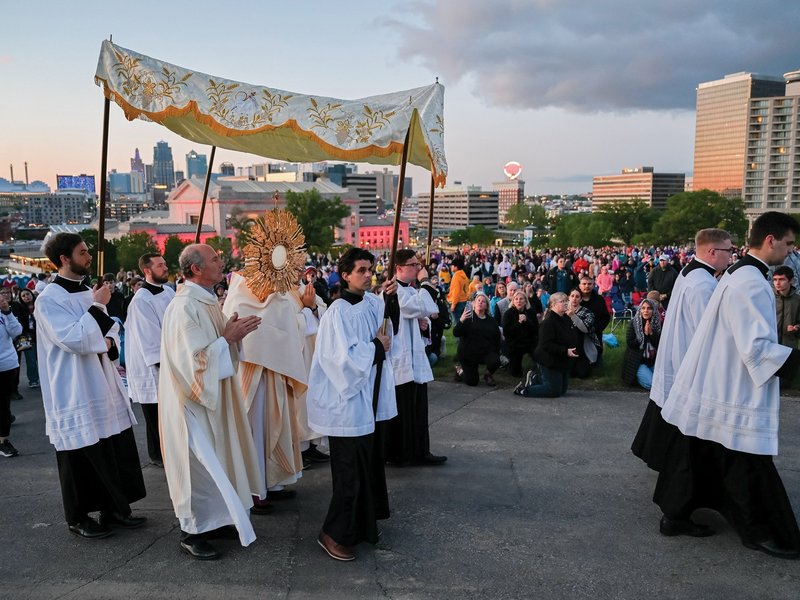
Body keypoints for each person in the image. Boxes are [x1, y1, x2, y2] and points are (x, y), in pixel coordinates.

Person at [658, 212, 800, 559]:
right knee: (745, 462)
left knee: (709, 454)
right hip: (730, 385)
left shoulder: (740, 272)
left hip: (717, 380)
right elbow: (756, 348)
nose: (792, 252)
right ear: (770, 240)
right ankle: (757, 530)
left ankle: (677, 516)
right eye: (789, 244)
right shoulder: (749, 280)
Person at [35, 233, 146, 539]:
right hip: (73, 385)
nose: (88, 256)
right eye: (83, 252)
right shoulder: (48, 299)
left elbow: (111, 327)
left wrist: (109, 338)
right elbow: (73, 338)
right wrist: (97, 310)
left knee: (110, 445)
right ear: (64, 259)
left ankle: (113, 509)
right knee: (79, 454)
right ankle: (78, 516)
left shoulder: (88, 292)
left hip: (102, 380)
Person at [159, 244, 265, 560]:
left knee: (218, 461)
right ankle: (191, 531)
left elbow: (217, 348)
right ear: (195, 269)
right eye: (215, 259)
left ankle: (217, 520)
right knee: (198, 467)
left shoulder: (206, 302)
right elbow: (191, 363)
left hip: (213, 398)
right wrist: (228, 338)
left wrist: (231, 335)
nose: (222, 263)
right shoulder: (183, 308)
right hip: (190, 404)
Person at [306, 248, 398, 561]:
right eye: (361, 270)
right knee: (349, 474)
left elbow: (387, 328)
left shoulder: (371, 302)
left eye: (370, 268)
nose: (368, 274)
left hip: (366, 401)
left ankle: (360, 526)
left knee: (367, 469)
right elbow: (340, 361)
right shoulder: (337, 313)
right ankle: (332, 533)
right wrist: (375, 346)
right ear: (345, 275)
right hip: (346, 405)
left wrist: (392, 301)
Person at [223, 267, 325, 512]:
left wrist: (306, 310)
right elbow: (278, 327)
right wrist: (305, 312)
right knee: (256, 432)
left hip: (276, 372)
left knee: (277, 428)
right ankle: (255, 490)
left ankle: (272, 482)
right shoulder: (241, 295)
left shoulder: (281, 295)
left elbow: (294, 325)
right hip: (254, 375)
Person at [632, 228, 733, 472]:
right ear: (712, 252)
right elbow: (706, 330)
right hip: (688, 354)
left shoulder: (690, 272)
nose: (731, 256)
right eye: (728, 251)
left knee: (670, 409)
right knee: (684, 418)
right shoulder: (703, 284)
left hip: (676, 350)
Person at [384, 250, 447, 467]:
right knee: (403, 409)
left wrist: (424, 324)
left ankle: (420, 450)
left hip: (414, 357)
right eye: (413, 265)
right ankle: (401, 453)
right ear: (399, 268)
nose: (418, 268)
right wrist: (426, 281)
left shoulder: (409, 291)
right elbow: (424, 306)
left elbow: (426, 313)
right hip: (400, 359)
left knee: (419, 408)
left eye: (418, 264)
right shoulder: (394, 292)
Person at [124, 253, 175, 467]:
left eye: (165, 263)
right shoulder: (141, 301)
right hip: (152, 367)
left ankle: (163, 451)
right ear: (147, 271)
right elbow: (151, 340)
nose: (165, 267)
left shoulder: (168, 291)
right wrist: (169, 368)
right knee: (156, 416)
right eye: (160, 265)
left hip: (171, 356)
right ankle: (160, 455)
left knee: (167, 414)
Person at [514, 293, 579, 398]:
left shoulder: (566, 318)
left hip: (562, 360)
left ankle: (535, 378)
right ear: (553, 305)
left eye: (566, 301)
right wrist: (565, 351)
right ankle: (523, 390)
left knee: (562, 390)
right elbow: (546, 345)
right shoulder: (548, 322)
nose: (566, 303)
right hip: (549, 359)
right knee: (553, 391)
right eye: (562, 301)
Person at [453, 292, 502, 386]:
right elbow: (456, 333)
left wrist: (496, 352)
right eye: (478, 300)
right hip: (468, 353)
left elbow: (496, 338)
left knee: (495, 360)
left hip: (484, 352)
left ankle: (488, 375)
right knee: (472, 382)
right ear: (474, 304)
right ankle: (460, 370)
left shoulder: (491, 321)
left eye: (483, 301)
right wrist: (461, 320)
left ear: (486, 306)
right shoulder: (467, 317)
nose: (480, 302)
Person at [0, 290, 23, 457]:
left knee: (3, 405)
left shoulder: (4, 313)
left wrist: (7, 311)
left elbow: (16, 332)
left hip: (6, 365)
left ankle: (3, 441)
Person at [621, 298, 661, 389]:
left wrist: (651, 334)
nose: (646, 311)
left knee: (662, 383)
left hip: (654, 361)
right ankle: (638, 378)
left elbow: (661, 345)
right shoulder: (634, 323)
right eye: (643, 308)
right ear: (640, 310)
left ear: (653, 310)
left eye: (649, 308)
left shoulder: (658, 324)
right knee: (652, 385)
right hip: (639, 362)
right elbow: (631, 343)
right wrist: (644, 335)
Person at [502, 290, 539, 378]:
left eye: (521, 299)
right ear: (513, 301)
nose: (519, 301)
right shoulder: (508, 314)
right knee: (515, 374)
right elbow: (507, 332)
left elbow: (536, 329)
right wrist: (518, 323)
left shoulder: (530, 312)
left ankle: (537, 367)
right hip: (514, 343)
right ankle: (506, 362)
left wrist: (527, 321)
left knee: (538, 358)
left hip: (529, 342)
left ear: (525, 301)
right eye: (516, 299)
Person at [565, 288, 600, 379]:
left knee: (582, 374)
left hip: (583, 347)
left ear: (581, 299)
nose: (574, 298)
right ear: (569, 297)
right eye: (572, 296)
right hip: (566, 346)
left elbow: (585, 329)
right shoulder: (562, 311)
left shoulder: (588, 313)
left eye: (577, 296)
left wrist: (573, 316)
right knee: (569, 374)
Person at [578, 276, 611, 362]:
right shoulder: (575, 299)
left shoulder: (599, 300)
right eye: (584, 284)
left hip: (595, 332)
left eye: (589, 284)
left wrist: (597, 328)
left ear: (593, 285)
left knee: (596, 359)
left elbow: (606, 317)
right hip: (578, 334)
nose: (587, 286)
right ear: (580, 286)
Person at [12, 288, 38, 388]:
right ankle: (33, 380)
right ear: (21, 298)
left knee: (42, 359)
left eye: (28, 294)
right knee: (30, 360)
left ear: (32, 294)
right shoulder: (20, 308)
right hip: (27, 337)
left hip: (42, 336)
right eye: (23, 296)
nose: (26, 297)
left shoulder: (39, 305)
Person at [773, 265, 800, 348]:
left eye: (781, 279)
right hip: (771, 344)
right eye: (775, 279)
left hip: (789, 345)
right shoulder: (769, 297)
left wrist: (796, 327)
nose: (777, 283)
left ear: (790, 281)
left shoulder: (797, 300)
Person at [447, 255, 470, 321]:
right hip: (464, 301)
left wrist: (453, 305)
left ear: (456, 267)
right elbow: (466, 289)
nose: (451, 267)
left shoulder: (456, 276)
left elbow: (456, 292)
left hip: (457, 303)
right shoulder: (464, 275)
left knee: (457, 324)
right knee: (463, 323)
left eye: (452, 265)